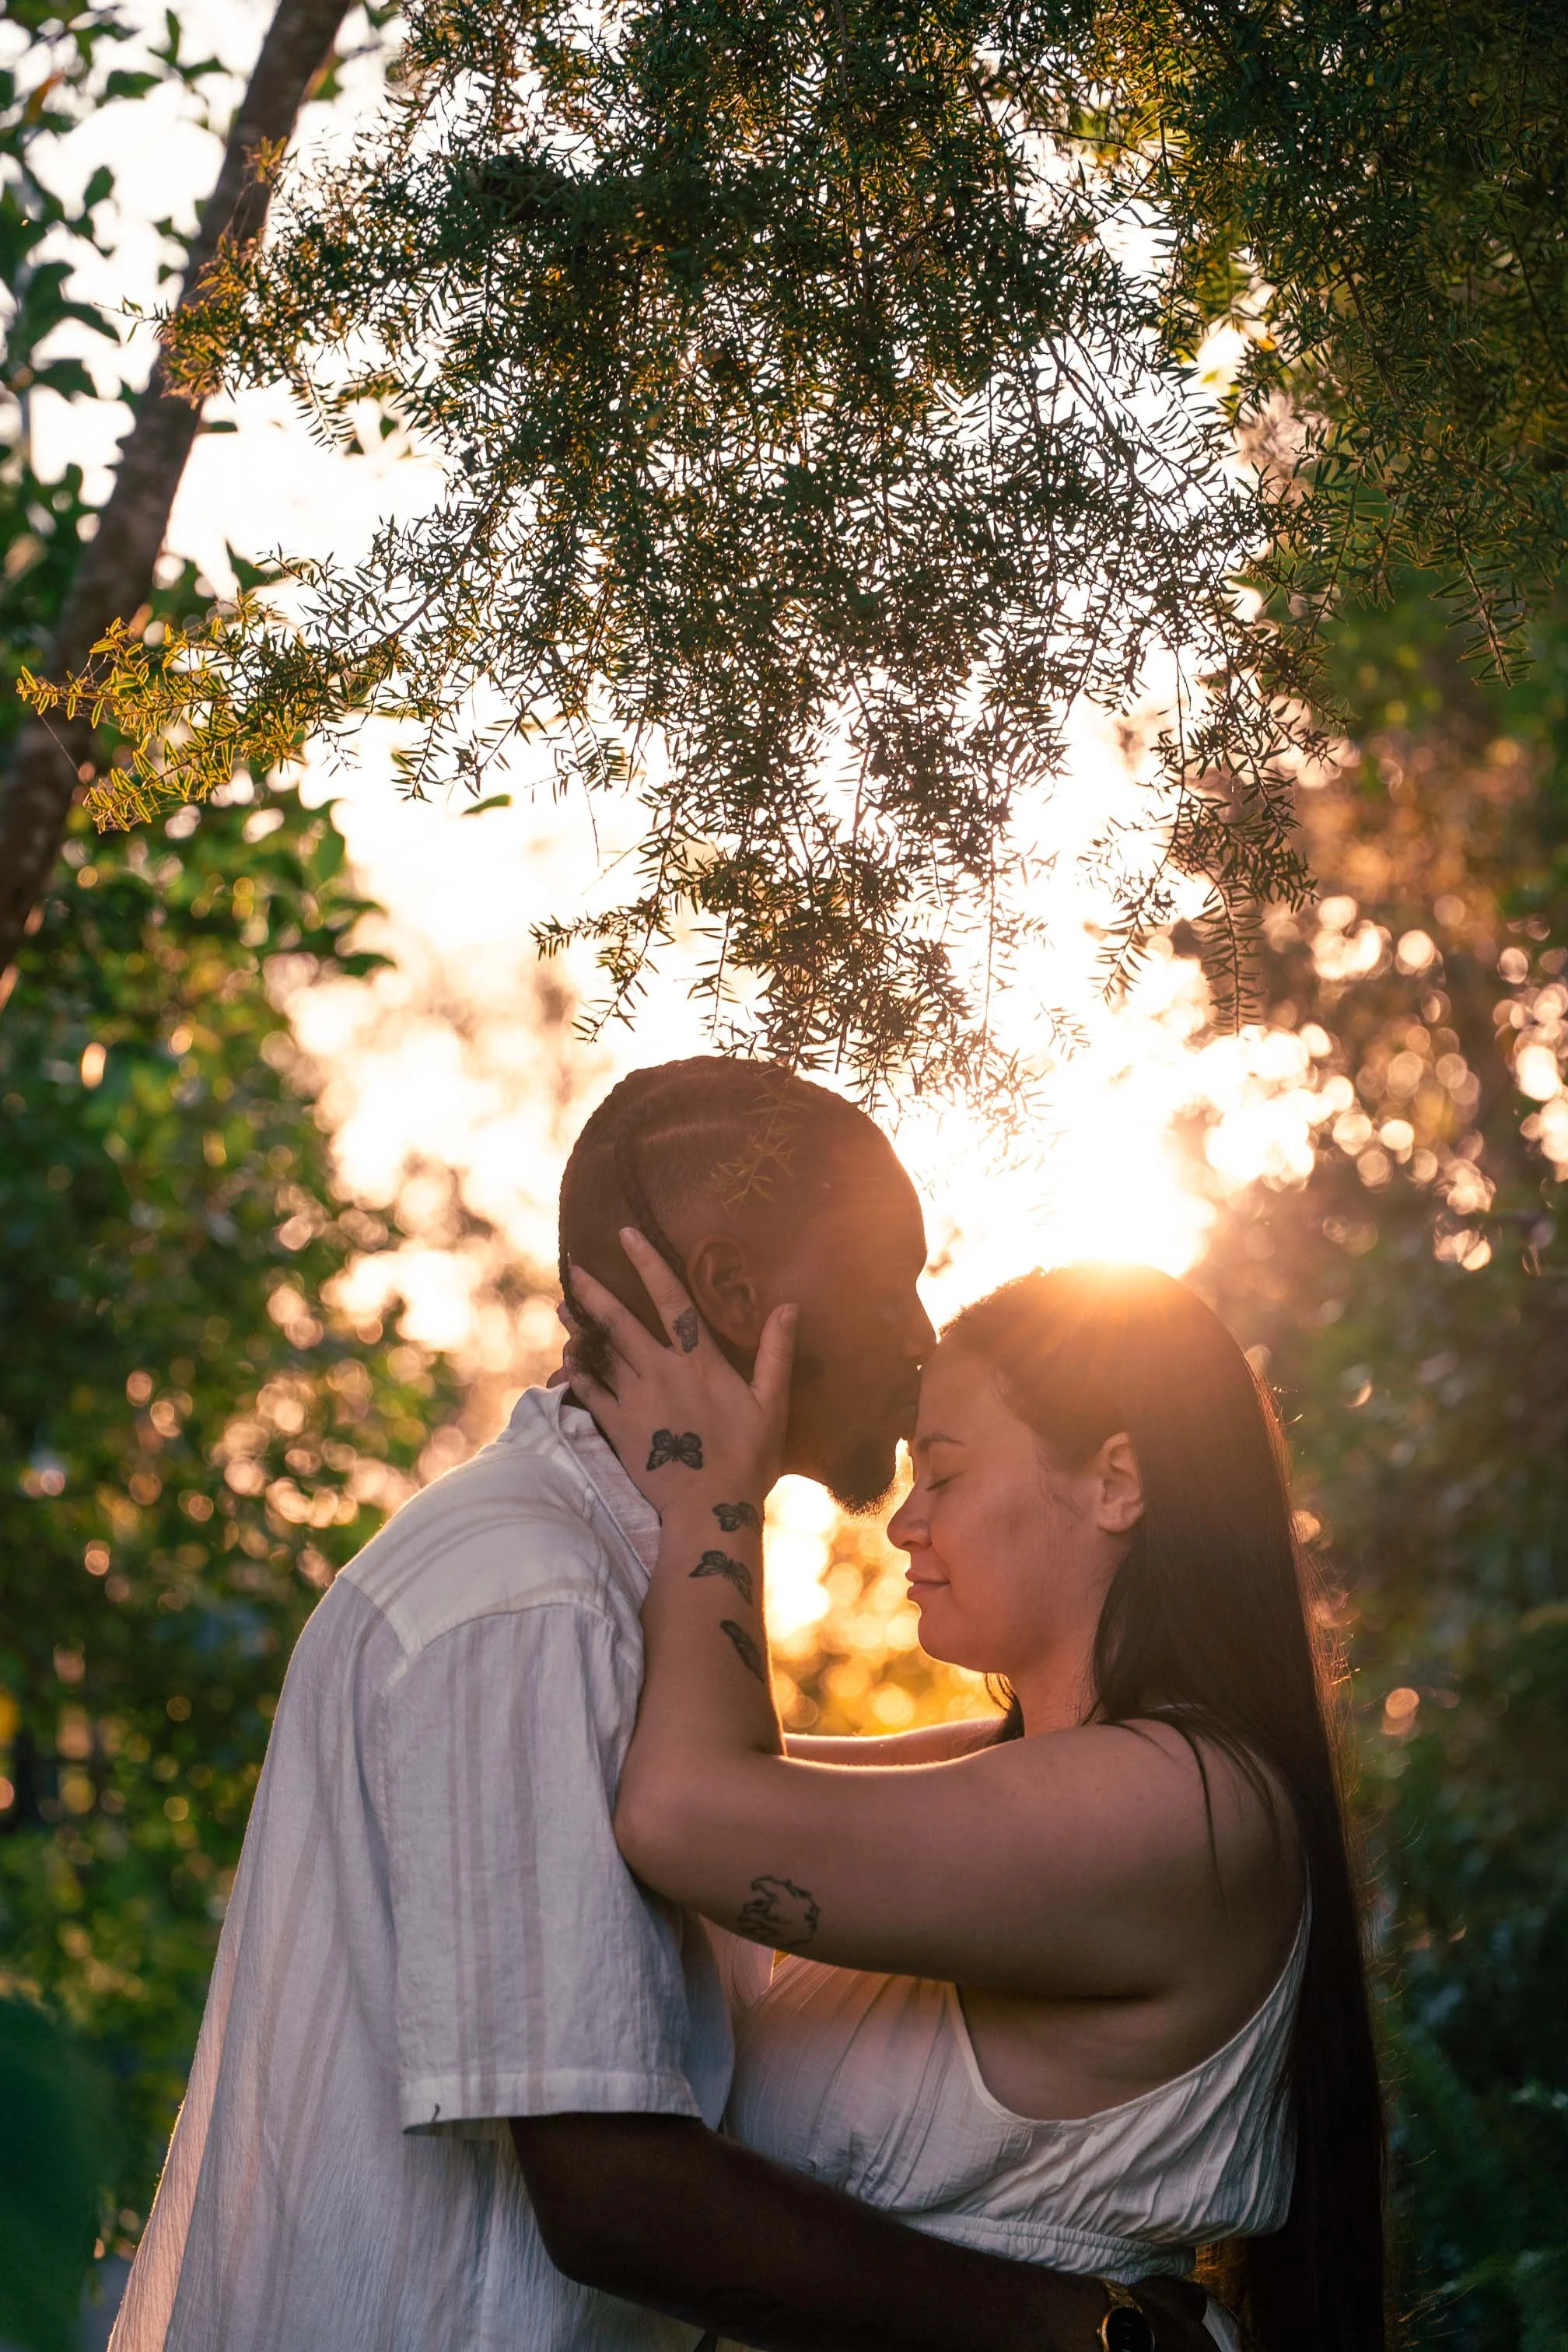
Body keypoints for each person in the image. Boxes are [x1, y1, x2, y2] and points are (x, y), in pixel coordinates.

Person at [110, 1058, 1213, 2352]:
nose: (920, 1337)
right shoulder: (533, 1600)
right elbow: (612, 2197)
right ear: (739, 1295)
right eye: (887, 1282)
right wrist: (1083, 2332)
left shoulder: (633, 1595)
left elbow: (927, 1795)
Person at [568, 1238, 1388, 2352]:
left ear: (1118, 1483)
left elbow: (681, 1814)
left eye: (944, 1475)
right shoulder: (1035, 1771)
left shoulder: (1182, 1808)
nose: (903, 1522)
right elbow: (683, 1768)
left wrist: (715, 1490)